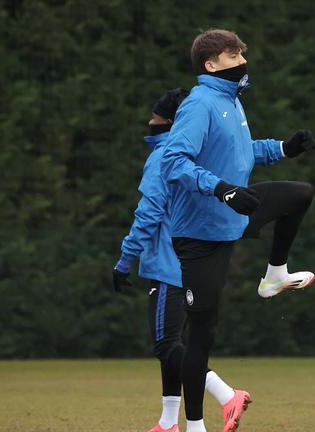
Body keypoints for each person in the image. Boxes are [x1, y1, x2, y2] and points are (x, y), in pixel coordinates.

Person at [160, 29, 315, 432]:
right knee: (202, 333)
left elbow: (243, 151)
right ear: (211, 65)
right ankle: (194, 426)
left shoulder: (231, 100)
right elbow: (173, 162)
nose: (243, 61)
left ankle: (274, 275)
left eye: (242, 53)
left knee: (300, 194)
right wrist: (221, 189)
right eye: (234, 55)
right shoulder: (199, 104)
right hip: (198, 233)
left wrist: (285, 147)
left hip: (233, 213)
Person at [112, 88, 245, 432]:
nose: (149, 121)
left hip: (168, 267)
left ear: (170, 121)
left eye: (156, 116)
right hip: (191, 262)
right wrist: (278, 149)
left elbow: (149, 212)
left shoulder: (162, 156)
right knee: (176, 344)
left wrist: (125, 260)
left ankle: (227, 394)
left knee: (166, 343)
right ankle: (169, 423)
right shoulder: (199, 153)